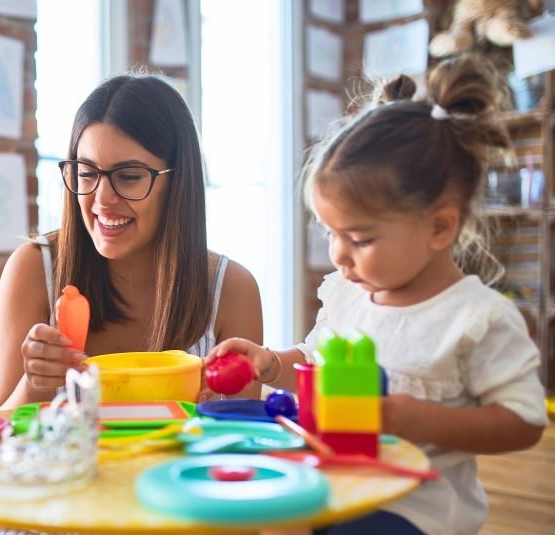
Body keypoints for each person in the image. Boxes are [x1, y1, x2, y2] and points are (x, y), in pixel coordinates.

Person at [207, 54, 548, 534]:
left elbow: (524, 422)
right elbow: (315, 362)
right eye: (331, 233)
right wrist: (272, 363)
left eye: (361, 239)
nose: (340, 256)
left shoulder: (475, 317)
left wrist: (412, 418)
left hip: (416, 510)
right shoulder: (348, 293)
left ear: (439, 226)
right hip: (337, 485)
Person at [0, 73, 263, 410]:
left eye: (129, 177)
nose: (102, 199)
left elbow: (238, 445)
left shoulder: (232, 289)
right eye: (86, 173)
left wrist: (207, 417)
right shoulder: (32, 268)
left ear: (177, 182)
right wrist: (34, 386)